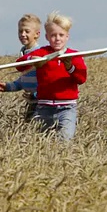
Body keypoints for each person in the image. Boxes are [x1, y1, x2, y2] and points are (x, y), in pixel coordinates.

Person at [15, 11, 87, 141]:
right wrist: (32, 59)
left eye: (61, 35)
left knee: (65, 140)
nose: (57, 38)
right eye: (53, 35)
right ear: (47, 37)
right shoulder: (41, 52)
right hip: (44, 107)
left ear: (67, 37)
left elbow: (81, 79)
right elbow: (19, 66)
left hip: (67, 107)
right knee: (44, 142)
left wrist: (69, 67)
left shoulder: (73, 55)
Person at [0, 14, 41, 122]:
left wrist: (35, 95)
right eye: (20, 31)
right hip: (31, 102)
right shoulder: (23, 53)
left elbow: (47, 80)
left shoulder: (40, 54)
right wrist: (9, 87)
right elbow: (24, 79)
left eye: (27, 31)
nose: (23, 34)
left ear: (37, 34)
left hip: (42, 102)